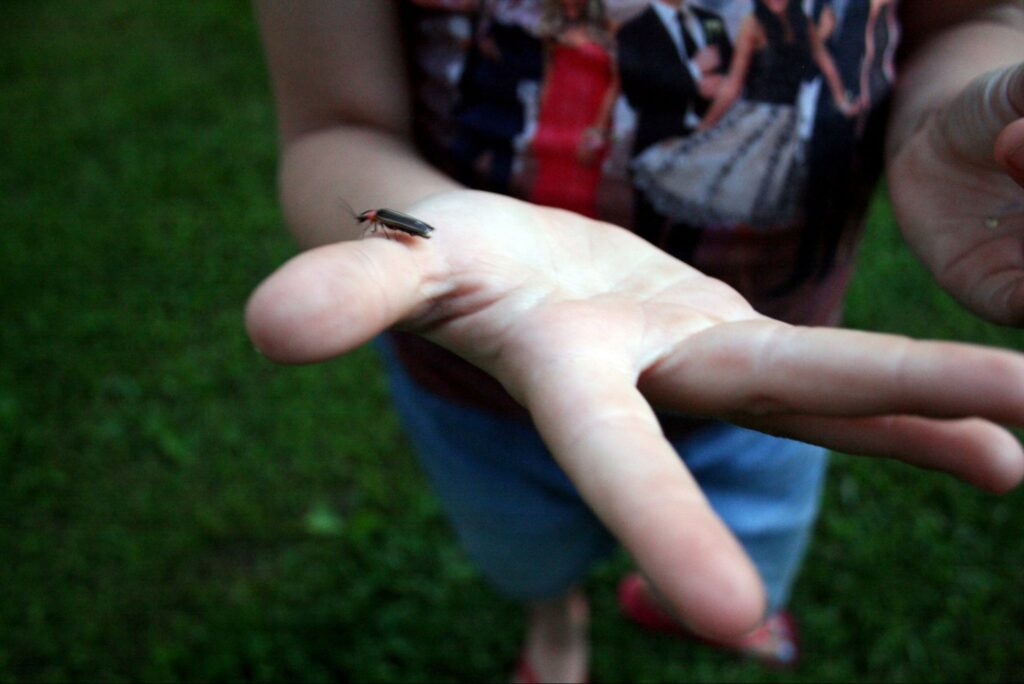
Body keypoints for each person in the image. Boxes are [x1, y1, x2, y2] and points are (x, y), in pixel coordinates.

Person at [247, 2, 1024, 682]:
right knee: (524, 545)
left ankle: (686, 602)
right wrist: (436, 239)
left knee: (752, 541)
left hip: (777, 359)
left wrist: (952, 109)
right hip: (477, 390)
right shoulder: (393, 223)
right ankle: (555, 619)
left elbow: (968, 17)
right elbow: (336, 123)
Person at [631, 0, 856, 231]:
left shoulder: (803, 24)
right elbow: (733, 85)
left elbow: (825, 62)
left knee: (750, 193)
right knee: (710, 180)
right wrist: (704, 129)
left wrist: (841, 100)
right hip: (753, 120)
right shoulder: (753, 23)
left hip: (787, 127)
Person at [617, 0, 735, 258]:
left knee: (689, 231)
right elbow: (637, 92)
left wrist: (724, 85)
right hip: (658, 141)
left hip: (704, 142)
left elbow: (732, 67)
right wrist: (692, 75)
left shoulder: (710, 21)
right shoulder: (633, 30)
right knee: (649, 230)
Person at [529, 0, 619, 217]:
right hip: (555, 117)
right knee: (546, 193)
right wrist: (539, 122)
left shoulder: (609, 30)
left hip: (589, 120)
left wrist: (598, 132)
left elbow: (616, 83)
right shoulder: (555, 28)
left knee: (579, 193)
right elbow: (549, 75)